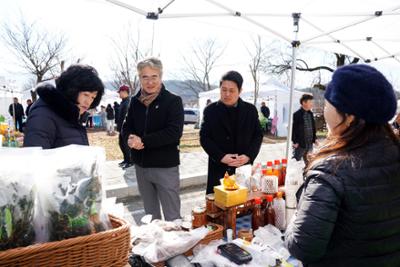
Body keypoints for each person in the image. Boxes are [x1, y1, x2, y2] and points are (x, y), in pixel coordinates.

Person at [285, 64, 400, 266]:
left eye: (329, 104)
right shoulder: (394, 151)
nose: (324, 109)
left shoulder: (331, 170)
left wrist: (294, 215)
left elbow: (303, 246)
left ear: (350, 116)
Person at [125, 57, 184, 221]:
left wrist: (142, 141)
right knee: (150, 217)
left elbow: (173, 132)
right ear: (139, 78)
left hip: (165, 166)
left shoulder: (173, 101)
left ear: (161, 76)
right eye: (145, 77)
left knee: (173, 217)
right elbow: (126, 127)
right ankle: (156, 246)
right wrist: (130, 138)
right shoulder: (135, 101)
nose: (149, 82)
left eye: (154, 77)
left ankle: (177, 246)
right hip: (141, 166)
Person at [200, 71, 263, 194]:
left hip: (243, 168)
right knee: (218, 206)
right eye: (223, 90)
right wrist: (221, 157)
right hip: (219, 168)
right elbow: (204, 138)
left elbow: (258, 135)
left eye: (232, 90)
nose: (227, 94)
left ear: (240, 91)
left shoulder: (250, 110)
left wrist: (248, 156)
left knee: (244, 206)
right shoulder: (210, 110)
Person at [23, 64, 104, 149]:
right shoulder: (43, 115)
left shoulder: (71, 114)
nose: (88, 102)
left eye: (93, 97)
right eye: (85, 94)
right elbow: (35, 159)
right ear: (72, 90)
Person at [292, 93, 317, 163]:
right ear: (304, 103)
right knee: (295, 162)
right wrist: (295, 141)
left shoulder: (311, 114)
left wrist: (315, 139)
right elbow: (293, 129)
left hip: (310, 144)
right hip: (300, 144)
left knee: (309, 163)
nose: (312, 104)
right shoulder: (296, 115)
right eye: (310, 102)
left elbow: (313, 127)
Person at [116, 84, 131, 169]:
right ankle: (126, 159)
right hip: (121, 128)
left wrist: (124, 128)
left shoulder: (128, 102)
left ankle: (130, 161)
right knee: (122, 144)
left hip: (126, 128)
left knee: (126, 145)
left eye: (120, 92)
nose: (119, 94)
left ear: (125, 92)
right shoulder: (123, 102)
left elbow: (127, 117)